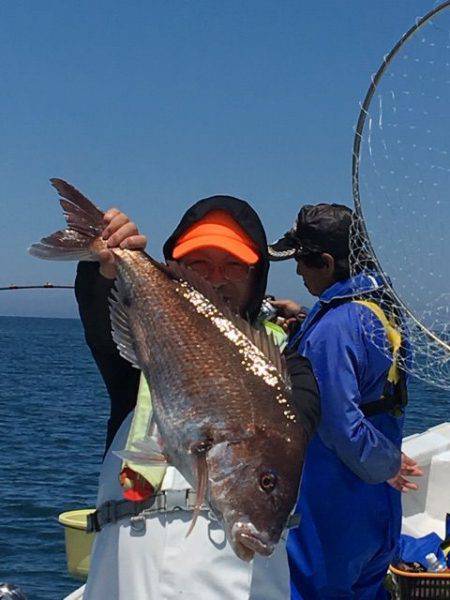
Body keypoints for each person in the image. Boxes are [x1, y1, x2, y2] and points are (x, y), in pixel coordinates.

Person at [69, 195, 321, 600]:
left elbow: (301, 419)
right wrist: (104, 268)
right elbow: (103, 326)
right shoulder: (142, 360)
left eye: (233, 265)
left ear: (257, 276)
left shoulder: (290, 366)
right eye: (198, 265)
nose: (216, 278)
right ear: (176, 271)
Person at [269, 203, 423, 600]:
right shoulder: (380, 306)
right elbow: (364, 366)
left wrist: (387, 465)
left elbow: (339, 423)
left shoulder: (334, 328)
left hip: (335, 500)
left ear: (324, 261)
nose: (298, 271)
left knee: (315, 589)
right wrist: (306, 319)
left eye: (302, 261)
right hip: (375, 501)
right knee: (366, 586)